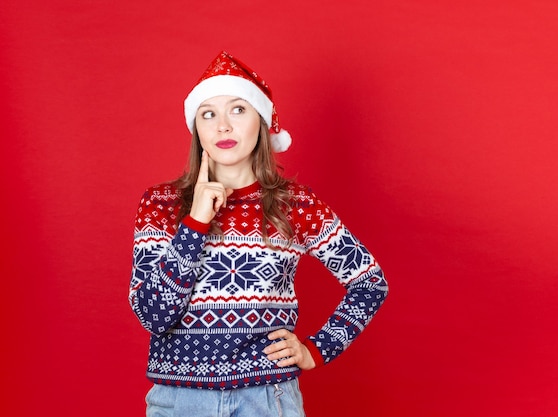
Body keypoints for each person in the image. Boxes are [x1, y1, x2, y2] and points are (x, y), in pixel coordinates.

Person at [128, 50, 389, 417]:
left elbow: (369, 282)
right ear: (197, 128)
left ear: (261, 120)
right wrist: (195, 224)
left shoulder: (295, 205)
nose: (223, 126)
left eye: (238, 109)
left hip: (268, 400)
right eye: (208, 114)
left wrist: (315, 350)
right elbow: (152, 315)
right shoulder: (162, 204)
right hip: (179, 402)